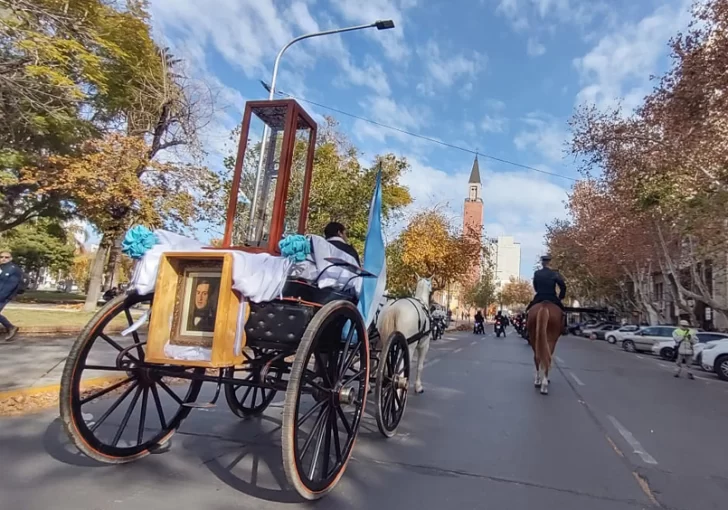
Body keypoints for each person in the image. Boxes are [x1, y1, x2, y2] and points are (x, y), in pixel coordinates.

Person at [526, 254, 567, 332]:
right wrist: (561, 297)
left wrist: (539, 291)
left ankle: (527, 328)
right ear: (550, 263)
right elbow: (563, 286)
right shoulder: (555, 274)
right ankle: (564, 328)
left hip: (539, 296)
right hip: (552, 297)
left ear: (542, 263)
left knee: (528, 311)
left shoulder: (537, 273)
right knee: (563, 312)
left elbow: (535, 286)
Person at [0, 250, 22, 341]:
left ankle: (11, 327)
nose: (3, 259)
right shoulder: (2, 268)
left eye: (6, 257)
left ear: (11, 258)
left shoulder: (13, 269)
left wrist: (2, 296)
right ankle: (11, 327)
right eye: (1, 257)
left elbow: (11, 285)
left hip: (3, 296)